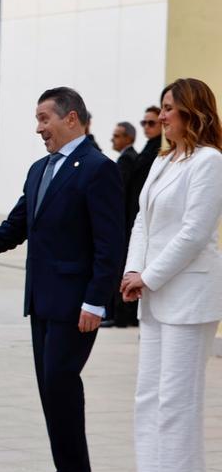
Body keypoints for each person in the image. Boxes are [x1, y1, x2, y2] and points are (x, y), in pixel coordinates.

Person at [0, 86, 124, 472]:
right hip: (43, 299)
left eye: (44, 119)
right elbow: (18, 225)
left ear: (72, 119)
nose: (38, 129)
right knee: (50, 388)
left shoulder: (98, 169)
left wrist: (96, 301)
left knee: (61, 382)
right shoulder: (40, 169)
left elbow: (110, 244)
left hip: (76, 303)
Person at [119, 78, 222, 472]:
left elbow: (195, 232)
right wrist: (131, 271)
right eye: (161, 108)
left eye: (169, 109)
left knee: (178, 399)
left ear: (193, 113)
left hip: (188, 294)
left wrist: (150, 275)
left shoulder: (209, 162)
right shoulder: (163, 161)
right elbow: (142, 221)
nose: (161, 117)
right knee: (149, 396)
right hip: (155, 294)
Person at [104, 122, 141, 327]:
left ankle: (116, 314)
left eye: (117, 136)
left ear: (128, 138)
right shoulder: (127, 158)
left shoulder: (126, 160)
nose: (113, 140)